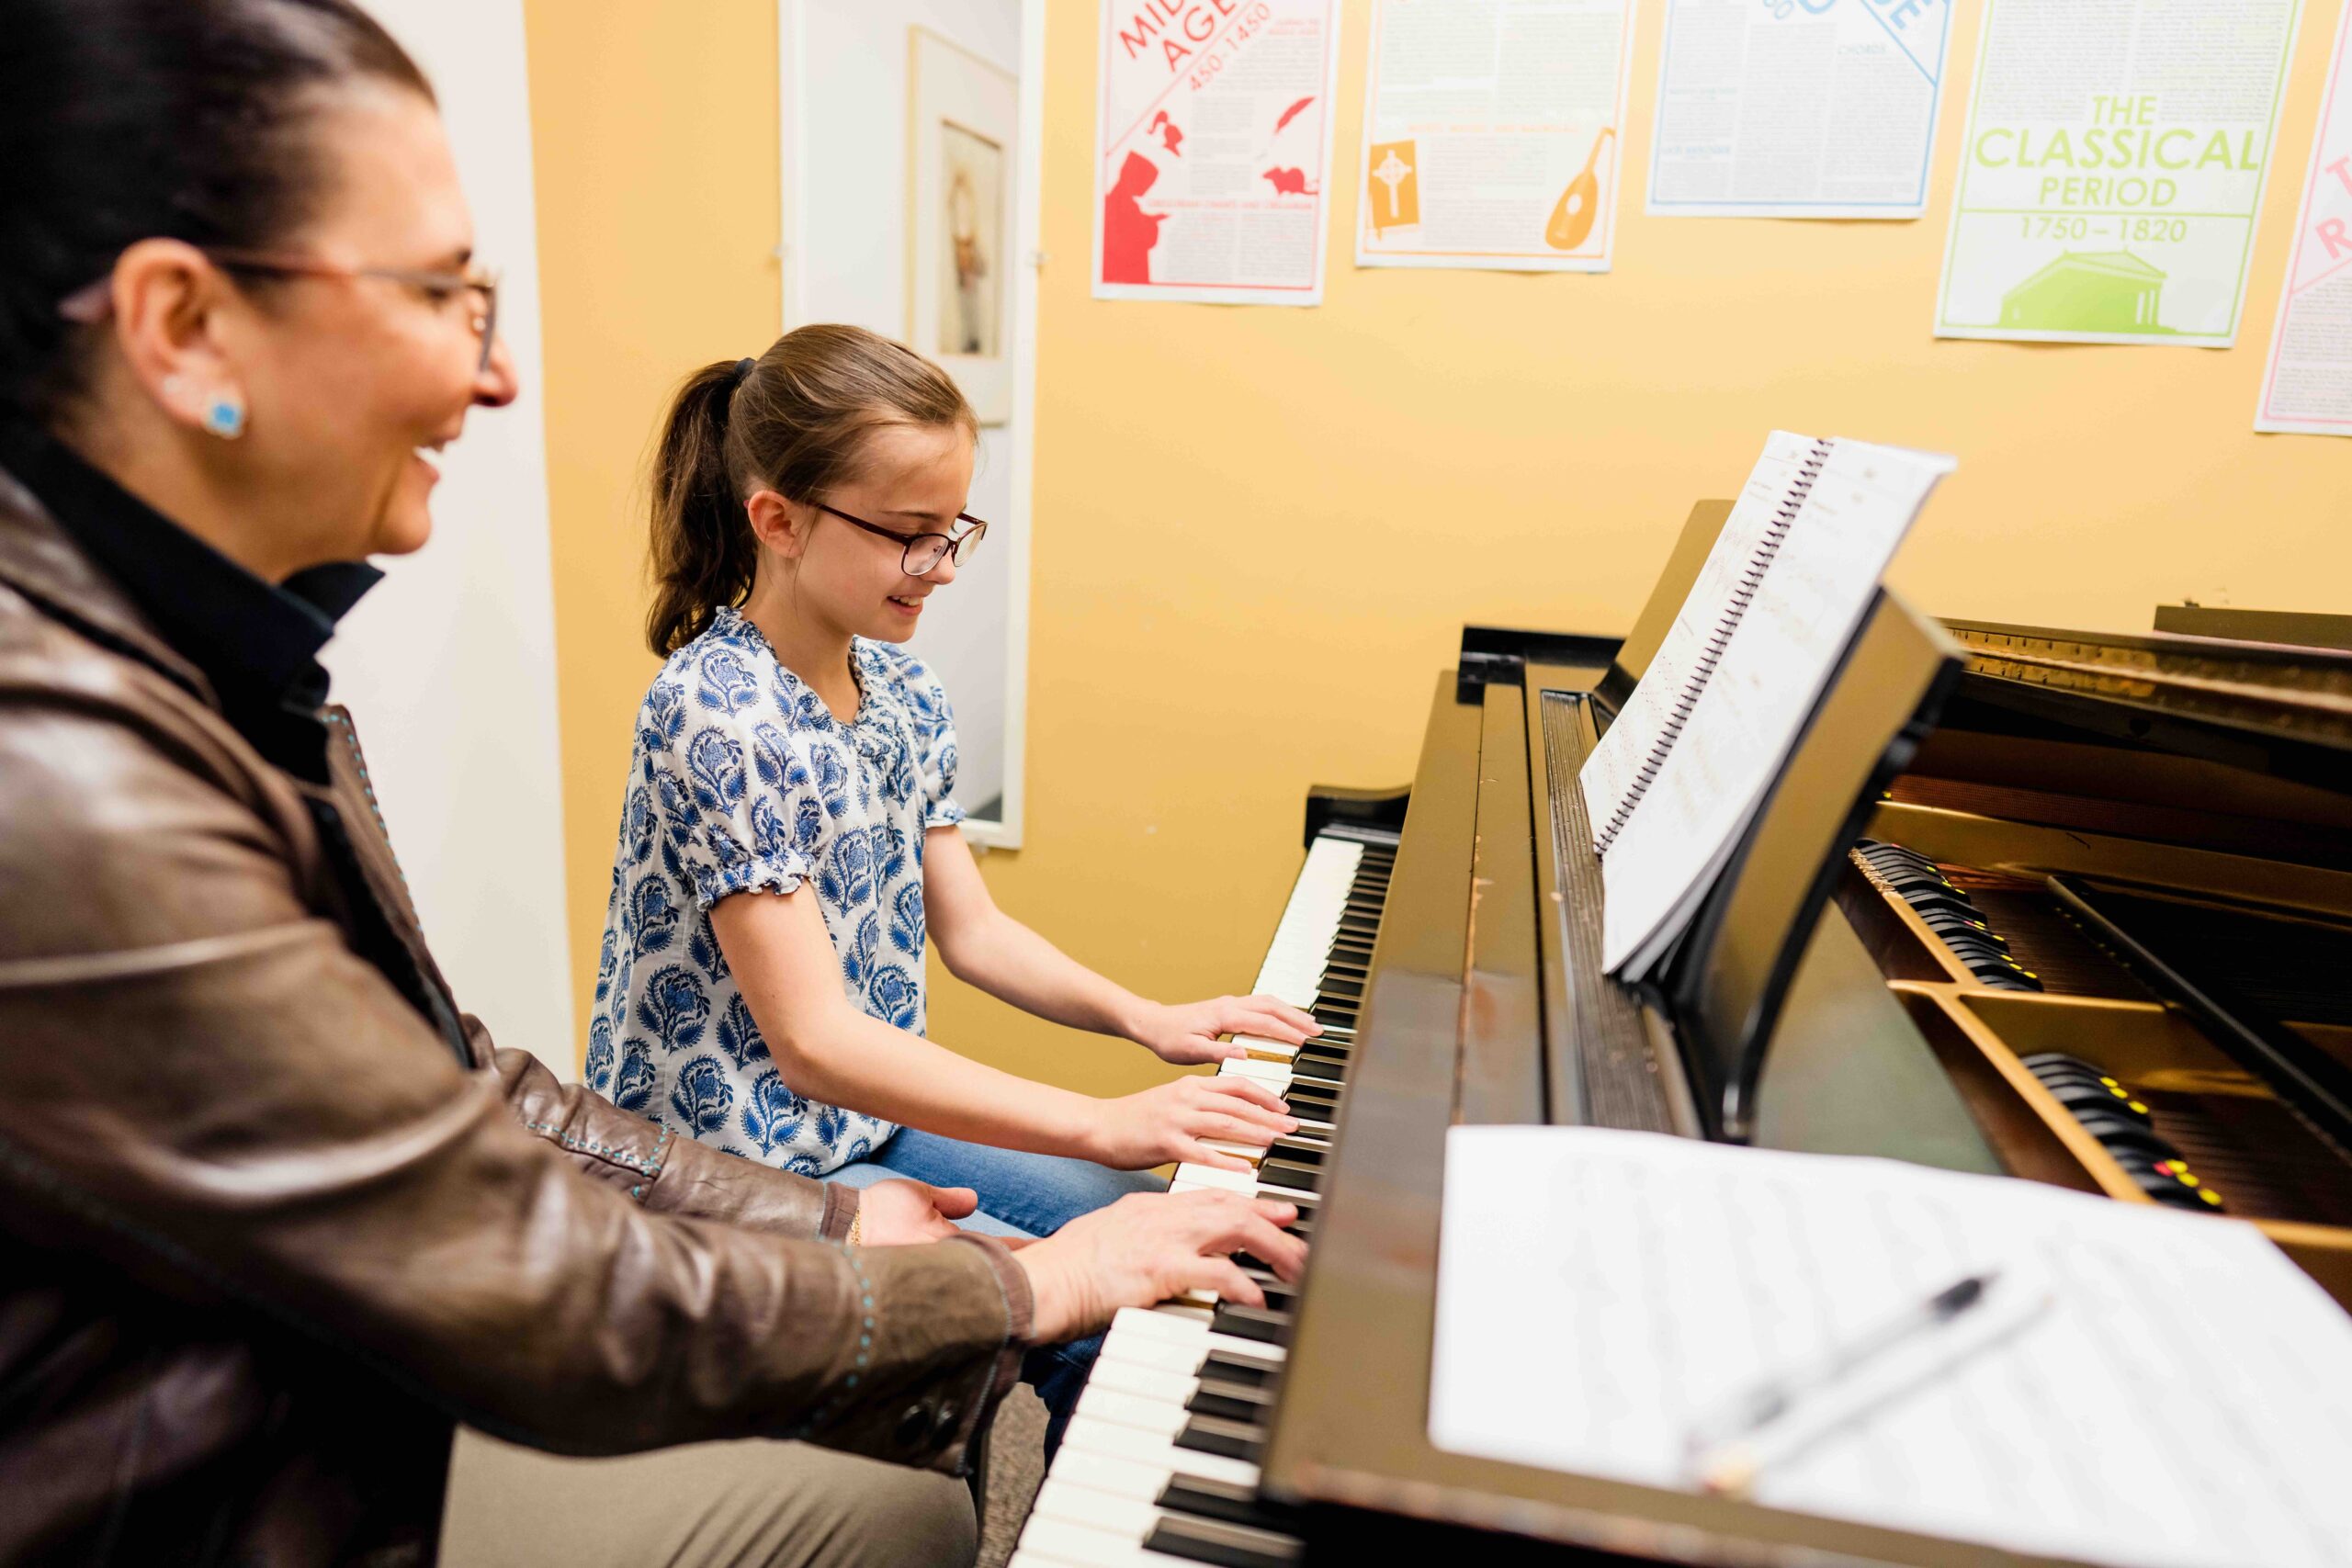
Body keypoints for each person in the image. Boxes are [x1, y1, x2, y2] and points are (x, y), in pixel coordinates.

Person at [0, 3, 1303, 1564]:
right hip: (294, 1473)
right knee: (992, 1388)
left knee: (1093, 1244)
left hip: (362, 1407)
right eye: (442, 294)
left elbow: (471, 1088)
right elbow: (538, 1245)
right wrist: (1027, 1269)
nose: (497, 375)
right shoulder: (75, 784)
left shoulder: (222, 679)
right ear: (183, 327)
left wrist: (922, 1185)